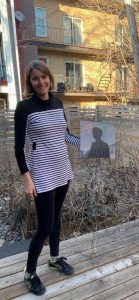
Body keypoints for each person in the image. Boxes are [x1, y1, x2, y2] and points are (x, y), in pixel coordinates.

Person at [14, 60, 80, 295]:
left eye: (44, 77)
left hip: (62, 168)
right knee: (44, 226)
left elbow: (66, 135)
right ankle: (29, 273)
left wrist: (93, 146)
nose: (41, 82)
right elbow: (18, 146)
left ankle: (54, 258)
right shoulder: (24, 108)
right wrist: (27, 179)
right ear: (30, 83)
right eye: (35, 79)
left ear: (49, 78)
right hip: (41, 172)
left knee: (57, 217)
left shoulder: (58, 101)